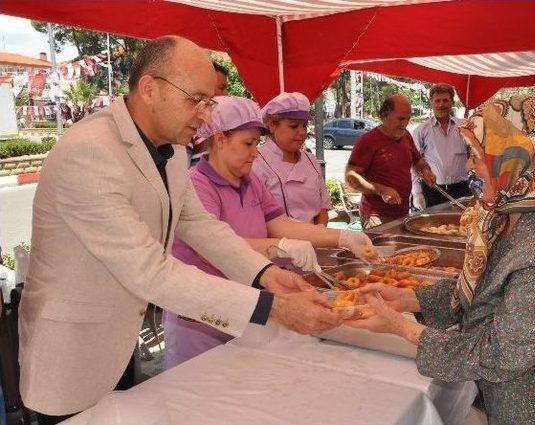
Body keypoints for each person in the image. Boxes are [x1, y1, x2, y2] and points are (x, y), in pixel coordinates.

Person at [18, 36, 340, 424]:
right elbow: (150, 270)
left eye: (209, 103)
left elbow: (199, 224)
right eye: (197, 100)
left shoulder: (169, 149)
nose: (205, 116)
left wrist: (265, 275)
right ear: (150, 89)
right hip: (72, 351)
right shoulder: (89, 151)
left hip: (119, 342)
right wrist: (273, 308)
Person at [346, 98, 535, 423]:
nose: (470, 167)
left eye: (477, 155)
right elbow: (489, 285)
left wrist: (401, 328)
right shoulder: (514, 214)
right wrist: (408, 298)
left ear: (524, 155)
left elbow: (501, 352)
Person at [164, 96, 376, 367]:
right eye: (248, 144)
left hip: (247, 307)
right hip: (201, 320)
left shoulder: (250, 182)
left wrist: (343, 237)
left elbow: (281, 223)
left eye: (256, 143)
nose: (256, 152)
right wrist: (279, 246)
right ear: (219, 139)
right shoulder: (197, 185)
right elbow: (216, 244)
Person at [345, 95, 436, 229]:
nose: (405, 123)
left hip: (402, 212)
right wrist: (381, 190)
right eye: (401, 119)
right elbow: (351, 178)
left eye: (408, 119)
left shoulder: (406, 136)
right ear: (385, 115)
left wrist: (425, 170)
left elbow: (417, 160)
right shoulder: (368, 141)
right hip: (376, 215)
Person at [252, 92, 332, 225]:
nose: (302, 132)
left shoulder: (311, 161)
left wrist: (319, 235)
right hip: (276, 243)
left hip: (315, 241)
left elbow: (322, 209)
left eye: (305, 126)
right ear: (272, 125)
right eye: (294, 126)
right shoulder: (256, 163)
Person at [410, 83, 472, 209]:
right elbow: (414, 163)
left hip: (462, 189)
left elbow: (475, 154)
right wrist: (417, 192)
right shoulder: (421, 130)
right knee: (433, 228)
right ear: (431, 103)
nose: (441, 104)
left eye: (445, 100)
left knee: (462, 226)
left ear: (452, 103)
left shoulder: (464, 127)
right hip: (433, 190)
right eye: (437, 101)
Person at [187, 61, 230, 166]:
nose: (226, 94)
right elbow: (179, 176)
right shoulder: (188, 127)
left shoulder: (220, 126)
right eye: (221, 88)